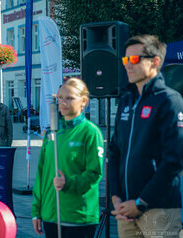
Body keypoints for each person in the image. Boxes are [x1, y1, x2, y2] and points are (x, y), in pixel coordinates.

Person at [109, 34, 183, 237]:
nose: (127, 65)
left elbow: (174, 161)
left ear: (155, 62)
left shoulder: (169, 101)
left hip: (159, 209)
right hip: (125, 210)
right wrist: (115, 197)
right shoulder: (126, 100)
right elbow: (114, 152)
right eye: (125, 60)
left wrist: (142, 202)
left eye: (134, 59)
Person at [32, 78, 104, 238]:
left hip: (78, 216)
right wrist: (36, 210)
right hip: (51, 215)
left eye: (70, 98)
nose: (63, 102)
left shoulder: (90, 132)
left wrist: (69, 183)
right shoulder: (52, 133)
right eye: (60, 98)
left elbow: (95, 173)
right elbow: (42, 173)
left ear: (84, 101)